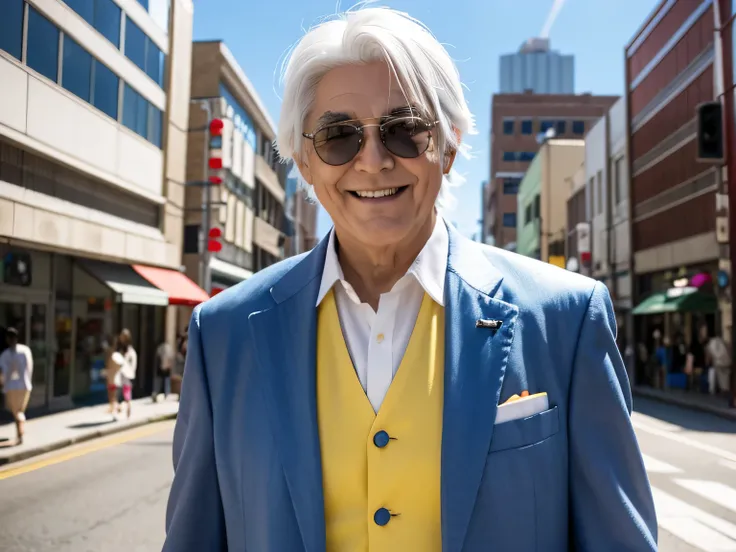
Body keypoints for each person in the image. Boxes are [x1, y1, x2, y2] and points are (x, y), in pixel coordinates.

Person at [163, 7, 657, 551]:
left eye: (404, 130)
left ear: (447, 145)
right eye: (338, 136)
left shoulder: (566, 318)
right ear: (304, 161)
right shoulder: (224, 333)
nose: (372, 161)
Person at [0, 328, 33, 445]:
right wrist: (28, 381)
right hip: (24, 385)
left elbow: (2, 373)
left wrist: (2, 384)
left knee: (16, 412)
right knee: (20, 410)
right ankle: (20, 434)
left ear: (8, 339)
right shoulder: (25, 351)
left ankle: (20, 434)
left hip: (10, 386)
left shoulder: (5, 355)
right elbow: (29, 367)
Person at [118, 329, 137, 419]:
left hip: (126, 375)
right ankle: (123, 407)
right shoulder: (120, 348)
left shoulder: (130, 351)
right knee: (123, 392)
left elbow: (132, 364)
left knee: (126, 392)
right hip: (121, 375)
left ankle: (126, 407)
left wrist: (130, 372)